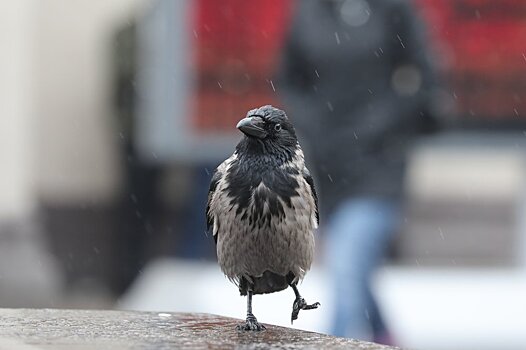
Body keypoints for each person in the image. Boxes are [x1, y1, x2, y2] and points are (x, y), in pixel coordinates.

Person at [277, 0, 440, 343]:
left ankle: (334, 341)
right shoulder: (310, 12)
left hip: (379, 161)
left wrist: (381, 122)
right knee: (351, 270)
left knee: (348, 258)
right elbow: (290, 81)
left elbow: (425, 82)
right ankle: (385, 337)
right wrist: (314, 125)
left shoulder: (393, 10)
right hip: (327, 164)